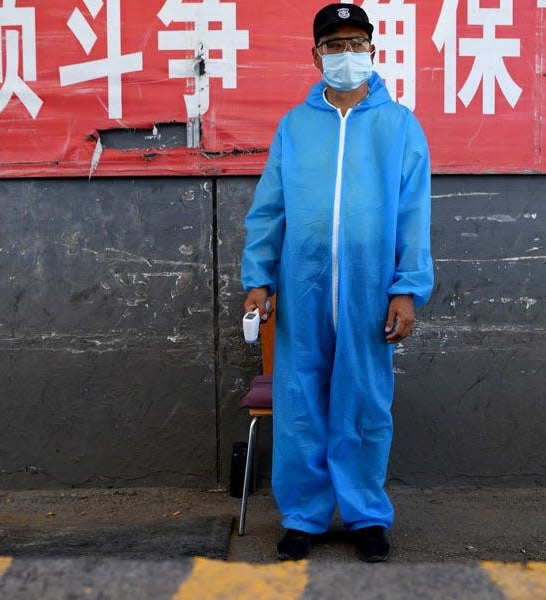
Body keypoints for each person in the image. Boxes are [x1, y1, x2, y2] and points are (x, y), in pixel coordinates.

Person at [240, 3, 434, 563]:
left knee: (365, 402)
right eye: (334, 44)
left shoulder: (398, 126)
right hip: (301, 289)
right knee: (300, 401)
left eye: (356, 42)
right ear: (316, 54)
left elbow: (413, 214)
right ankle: (302, 516)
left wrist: (406, 288)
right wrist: (258, 278)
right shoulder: (295, 127)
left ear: (372, 50)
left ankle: (365, 514)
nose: (346, 53)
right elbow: (269, 207)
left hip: (369, 293)